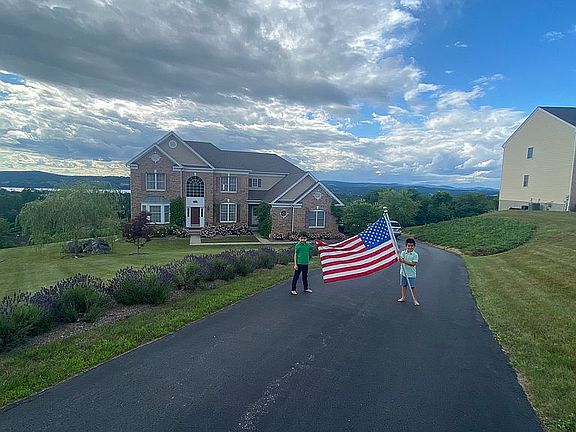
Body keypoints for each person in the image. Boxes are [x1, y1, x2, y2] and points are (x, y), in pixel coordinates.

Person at [397, 238, 420, 306]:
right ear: (406, 246)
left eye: (412, 246)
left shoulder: (415, 255)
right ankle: (403, 297)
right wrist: (399, 257)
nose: (410, 247)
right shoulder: (403, 253)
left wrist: (404, 261)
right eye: (408, 246)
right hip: (403, 273)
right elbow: (400, 260)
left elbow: (413, 264)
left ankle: (415, 300)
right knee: (404, 285)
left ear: (414, 246)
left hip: (411, 274)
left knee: (412, 287)